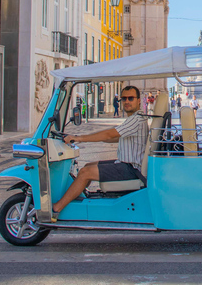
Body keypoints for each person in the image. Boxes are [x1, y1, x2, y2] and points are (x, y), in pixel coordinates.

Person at [52, 85, 148, 220]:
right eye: (124, 98)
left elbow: (109, 134)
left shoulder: (137, 119)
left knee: (85, 173)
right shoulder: (136, 118)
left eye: (131, 98)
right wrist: (92, 138)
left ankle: (56, 209)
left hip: (131, 169)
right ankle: (76, 197)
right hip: (126, 164)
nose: (127, 101)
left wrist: (79, 138)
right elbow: (113, 137)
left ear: (139, 100)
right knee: (87, 167)